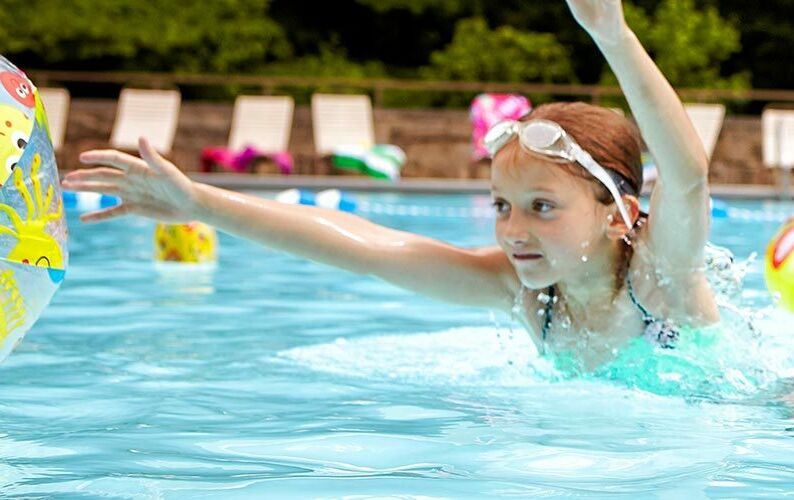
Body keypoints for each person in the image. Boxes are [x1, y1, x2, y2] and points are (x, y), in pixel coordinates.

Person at [61, 0, 719, 371]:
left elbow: (687, 176)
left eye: (542, 207)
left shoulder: (661, 275)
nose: (513, 231)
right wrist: (198, 203)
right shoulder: (523, 292)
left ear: (618, 212)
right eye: (501, 206)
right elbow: (364, 245)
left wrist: (613, 32)